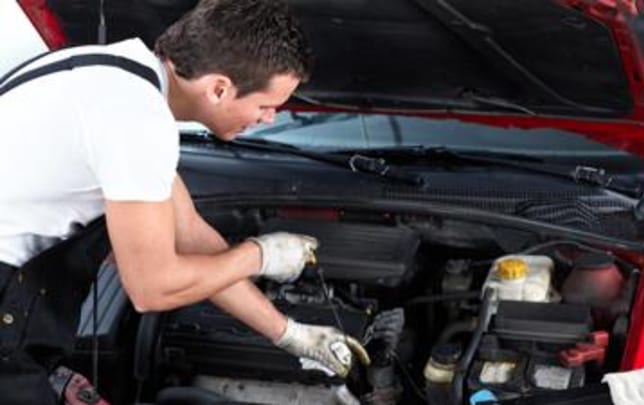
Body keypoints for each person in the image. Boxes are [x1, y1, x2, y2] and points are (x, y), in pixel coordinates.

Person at [0, 0, 368, 403]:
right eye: (266, 106)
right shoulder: (138, 121)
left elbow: (189, 233)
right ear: (219, 88)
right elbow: (150, 289)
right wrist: (259, 256)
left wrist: (289, 334)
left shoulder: (116, 73)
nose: (269, 119)